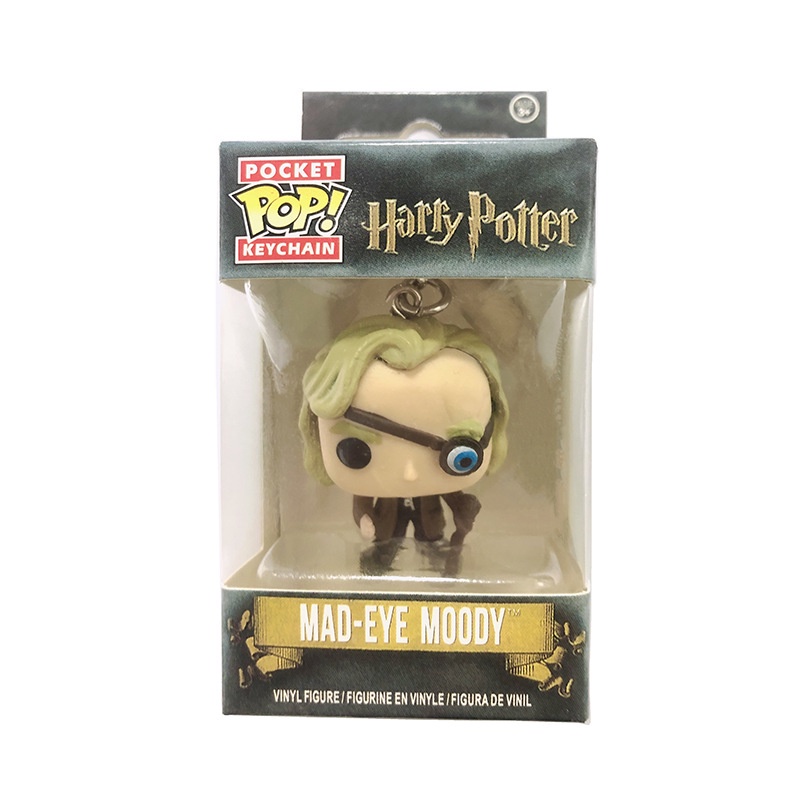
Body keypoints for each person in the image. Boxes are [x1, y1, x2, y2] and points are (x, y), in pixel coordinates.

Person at [300, 315, 508, 546]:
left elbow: (455, 498)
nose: (410, 475)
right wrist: (364, 519)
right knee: (384, 549)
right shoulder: (370, 487)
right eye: (356, 452)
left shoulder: (439, 483)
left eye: (460, 455)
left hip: (430, 521)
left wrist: (462, 507)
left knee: (432, 544)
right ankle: (379, 561)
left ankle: (434, 559)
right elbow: (362, 505)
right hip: (386, 522)